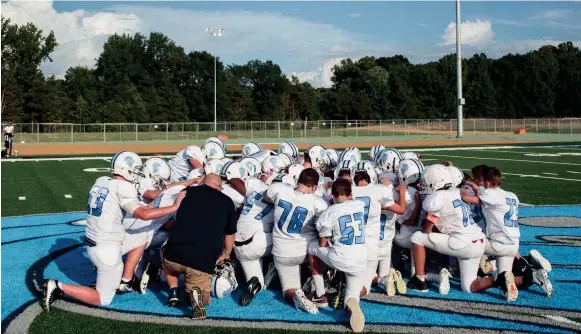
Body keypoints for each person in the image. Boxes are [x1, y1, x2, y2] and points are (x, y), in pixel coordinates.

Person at [41, 151, 185, 311]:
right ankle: (57, 286)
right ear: (127, 169)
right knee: (103, 298)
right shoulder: (123, 187)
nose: (137, 174)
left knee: (141, 237)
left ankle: (125, 280)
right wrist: (174, 207)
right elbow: (143, 214)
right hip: (106, 248)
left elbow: (142, 208)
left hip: (96, 240)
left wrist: (157, 203)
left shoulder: (101, 181)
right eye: (136, 170)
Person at [407, 164, 516, 301]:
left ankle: (419, 279)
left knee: (417, 237)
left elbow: (430, 221)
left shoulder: (437, 196)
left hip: (462, 244)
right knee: (469, 287)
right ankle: (499, 278)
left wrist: (426, 232)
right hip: (478, 241)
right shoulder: (458, 192)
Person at [462, 167, 553, 298]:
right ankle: (533, 277)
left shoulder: (489, 194)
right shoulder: (512, 196)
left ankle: (470, 271)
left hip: (498, 243)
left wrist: (462, 189)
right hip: (513, 245)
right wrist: (475, 186)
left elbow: (468, 197)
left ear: (487, 182)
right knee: (503, 277)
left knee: (467, 243)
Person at [161, 174, 237, 319]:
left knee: (164, 250)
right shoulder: (227, 202)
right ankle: (196, 298)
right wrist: (226, 254)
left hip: (173, 256)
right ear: (220, 188)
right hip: (199, 263)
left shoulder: (187, 192)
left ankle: (174, 290)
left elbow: (169, 221)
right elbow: (230, 233)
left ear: (202, 183)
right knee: (205, 299)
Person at [264, 168, 328, 314]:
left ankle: (298, 295)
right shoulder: (318, 203)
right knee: (323, 244)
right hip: (306, 253)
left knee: (289, 290)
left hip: (282, 252)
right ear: (314, 187)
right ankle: (318, 282)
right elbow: (325, 229)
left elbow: (266, 196)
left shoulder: (279, 189)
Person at [309, 179, 367, 332]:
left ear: (333, 195)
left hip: (340, 257)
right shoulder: (359, 205)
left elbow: (322, 243)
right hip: (361, 258)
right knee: (351, 296)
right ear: (350, 194)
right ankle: (353, 303)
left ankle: (320, 293)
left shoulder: (330, 212)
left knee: (312, 248)